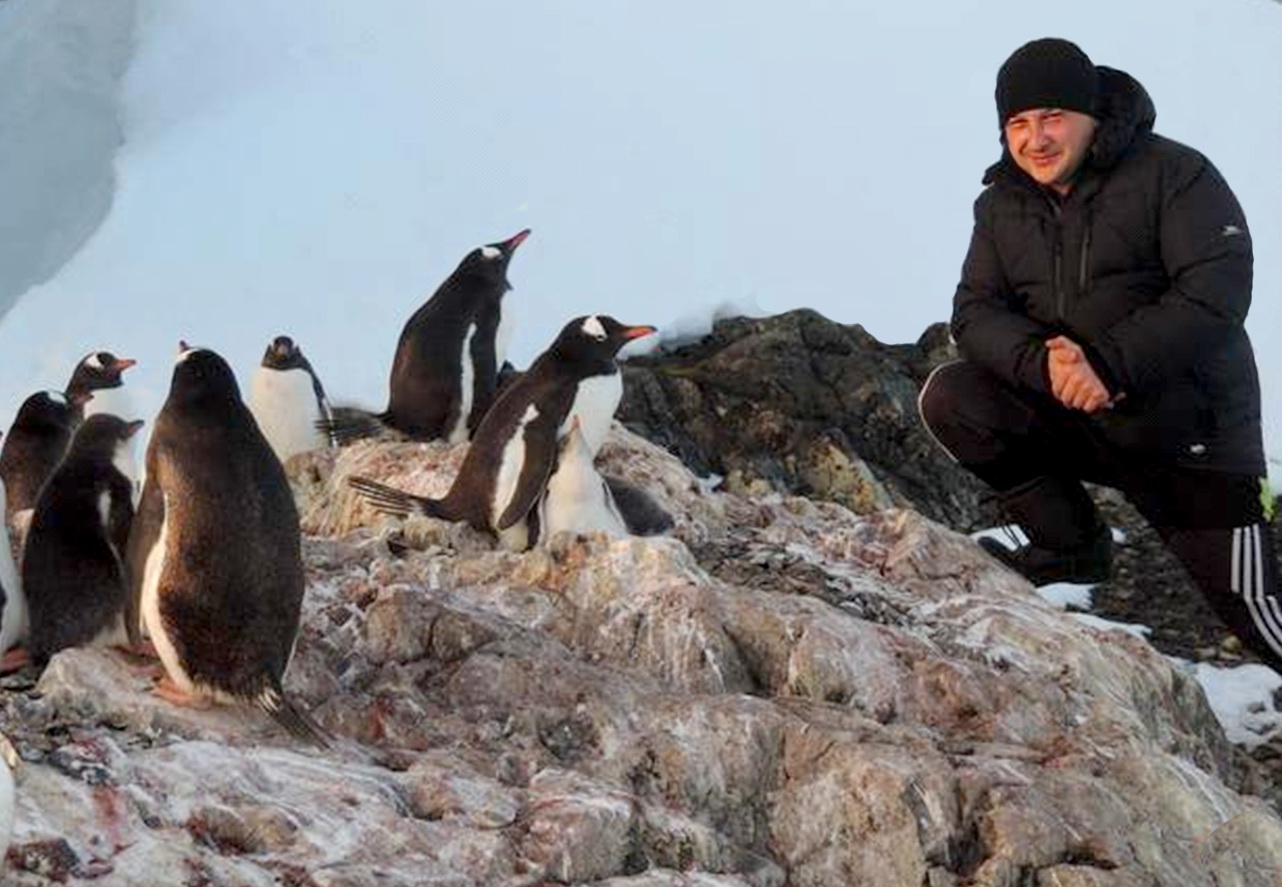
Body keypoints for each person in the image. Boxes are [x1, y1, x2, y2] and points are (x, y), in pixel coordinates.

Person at [917, 37, 1281, 671]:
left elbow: (1217, 289)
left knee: (1262, 619)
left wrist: (1107, 365)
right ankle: (1071, 545)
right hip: (1082, 422)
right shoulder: (1001, 204)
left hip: (1188, 440)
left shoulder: (1175, 173)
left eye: (1052, 117)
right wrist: (1045, 365)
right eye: (1018, 124)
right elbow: (974, 313)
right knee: (955, 397)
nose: (1035, 139)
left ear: (1093, 115)